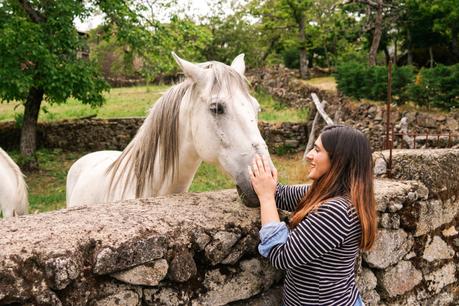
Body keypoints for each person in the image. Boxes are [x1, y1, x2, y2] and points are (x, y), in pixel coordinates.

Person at [248, 124, 377, 306]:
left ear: (338, 160)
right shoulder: (328, 193)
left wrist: (266, 197)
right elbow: (282, 194)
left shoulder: (337, 211)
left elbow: (281, 255)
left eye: (317, 150)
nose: (308, 155)